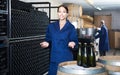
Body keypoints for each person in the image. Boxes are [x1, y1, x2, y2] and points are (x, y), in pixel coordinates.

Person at [40, 5, 78, 75]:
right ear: (57, 13)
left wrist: (73, 43)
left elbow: (75, 42)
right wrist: (47, 43)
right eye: (59, 11)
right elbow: (48, 40)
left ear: (67, 14)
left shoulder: (71, 27)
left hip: (66, 59)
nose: (61, 14)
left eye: (64, 12)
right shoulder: (51, 26)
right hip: (54, 59)